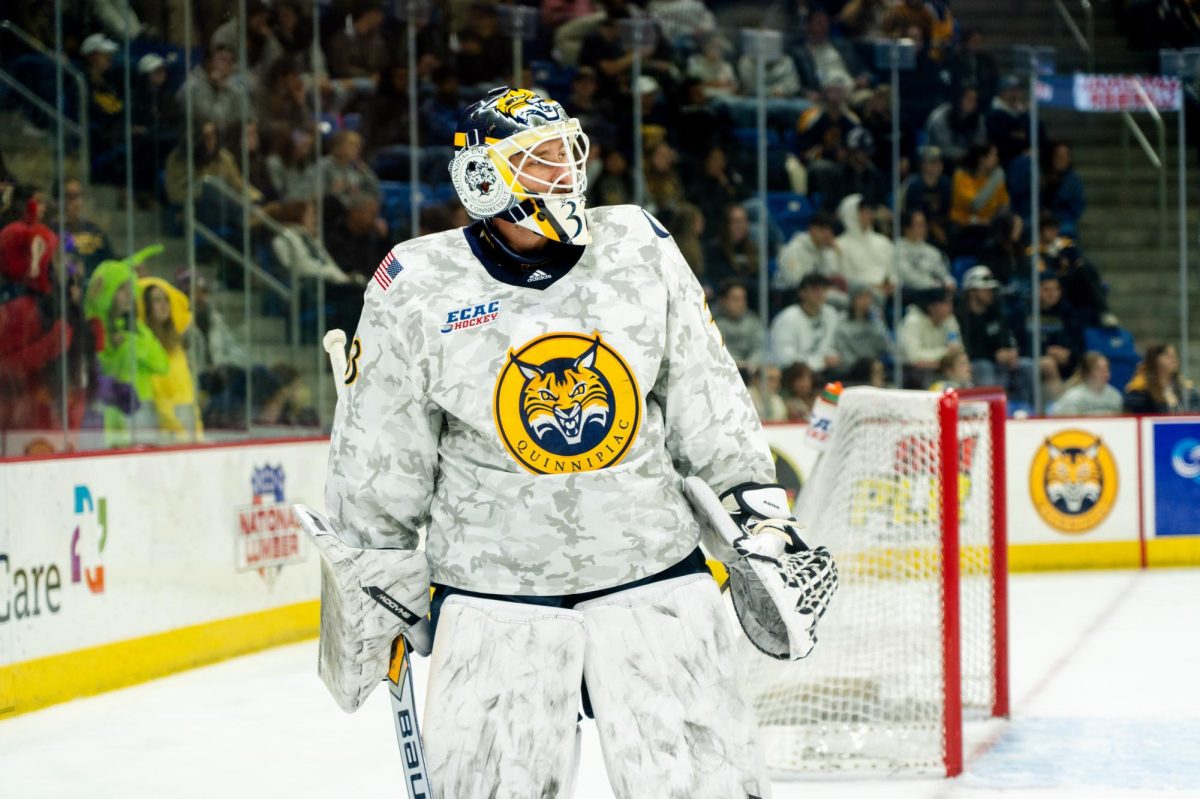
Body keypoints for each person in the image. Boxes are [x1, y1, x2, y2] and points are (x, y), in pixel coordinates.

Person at [320, 86, 834, 797]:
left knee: (707, 783)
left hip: (653, 570)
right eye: (538, 158)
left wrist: (760, 515)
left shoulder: (637, 245)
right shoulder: (416, 284)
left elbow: (709, 400)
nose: (564, 171)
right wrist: (372, 582)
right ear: (482, 178)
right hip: (497, 591)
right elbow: (382, 460)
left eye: (567, 150)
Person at [83, 255, 169, 447]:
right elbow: (100, 366)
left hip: (141, 409)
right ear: (107, 291)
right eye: (122, 289)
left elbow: (162, 364)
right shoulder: (95, 327)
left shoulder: (137, 328)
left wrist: (131, 344)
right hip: (108, 413)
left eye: (131, 288)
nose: (129, 295)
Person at [137, 277, 203, 442]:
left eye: (166, 299)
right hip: (158, 438)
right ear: (145, 306)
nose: (164, 305)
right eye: (157, 300)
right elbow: (157, 398)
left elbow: (189, 398)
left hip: (185, 436)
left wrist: (198, 435)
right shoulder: (143, 347)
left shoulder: (177, 347)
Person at [955, 265, 1031, 402]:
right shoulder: (961, 316)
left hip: (999, 361)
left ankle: (1027, 409)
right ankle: (989, 410)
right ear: (972, 292)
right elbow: (966, 348)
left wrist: (1011, 352)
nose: (991, 293)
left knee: (1027, 365)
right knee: (985, 367)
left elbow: (1006, 337)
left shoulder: (996, 311)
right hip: (977, 362)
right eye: (986, 290)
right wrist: (994, 355)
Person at [770, 273, 842, 372]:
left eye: (823, 289)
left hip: (826, 371)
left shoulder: (831, 313)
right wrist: (819, 363)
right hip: (795, 375)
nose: (820, 294)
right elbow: (785, 359)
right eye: (815, 290)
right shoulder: (787, 318)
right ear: (802, 293)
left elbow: (833, 345)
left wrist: (833, 355)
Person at [835, 194, 895, 305]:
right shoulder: (840, 245)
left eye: (868, 211)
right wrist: (872, 287)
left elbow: (893, 270)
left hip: (890, 293)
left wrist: (891, 283)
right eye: (862, 212)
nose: (868, 215)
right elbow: (846, 278)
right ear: (850, 215)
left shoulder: (883, 241)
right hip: (860, 295)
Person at [898, 288, 962, 388]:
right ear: (932, 307)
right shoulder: (912, 322)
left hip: (941, 366)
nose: (950, 307)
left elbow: (957, 350)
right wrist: (945, 353)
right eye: (945, 303)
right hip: (912, 373)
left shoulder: (950, 320)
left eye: (950, 303)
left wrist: (940, 360)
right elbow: (914, 358)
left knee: (960, 366)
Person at [1124, 342, 1198, 414]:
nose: (1173, 358)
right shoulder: (1140, 393)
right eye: (1167, 355)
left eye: (1174, 355)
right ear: (1154, 360)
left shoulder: (1187, 389)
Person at [712, 280, 765, 370]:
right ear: (723, 301)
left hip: (749, 369)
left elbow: (759, 349)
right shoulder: (712, 322)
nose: (741, 303)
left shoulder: (753, 321)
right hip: (722, 370)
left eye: (743, 299)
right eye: (735, 299)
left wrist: (750, 365)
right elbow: (714, 352)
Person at [1051, 352, 1123, 416]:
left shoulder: (1115, 396)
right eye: (1098, 369)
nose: (1104, 373)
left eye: (1106, 368)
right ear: (1088, 372)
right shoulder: (1073, 398)